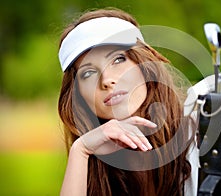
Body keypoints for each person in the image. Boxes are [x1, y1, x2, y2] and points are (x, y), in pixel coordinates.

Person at [57, 7, 199, 196]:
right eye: (88, 73)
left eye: (118, 59)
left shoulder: (197, 134)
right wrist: (81, 150)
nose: (106, 80)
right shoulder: (95, 158)